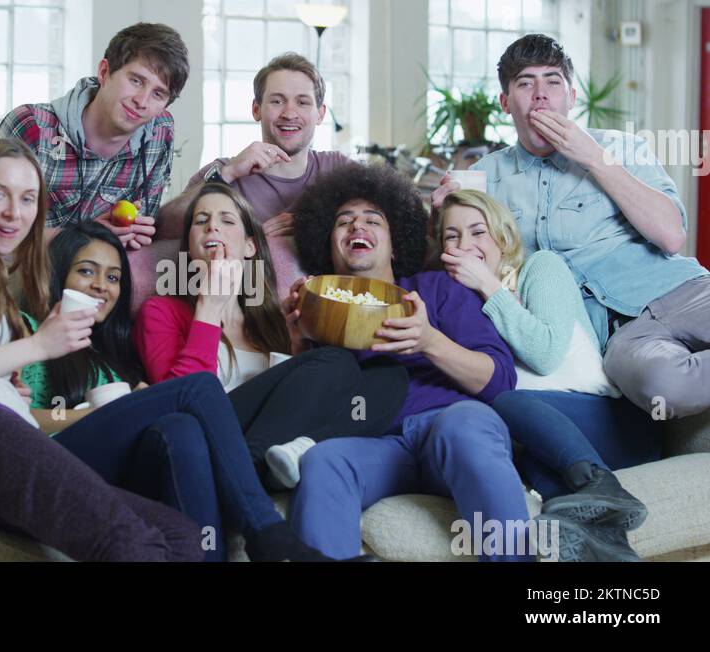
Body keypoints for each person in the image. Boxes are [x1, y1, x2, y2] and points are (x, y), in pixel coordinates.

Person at [0, 138, 202, 562]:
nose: (13, 212)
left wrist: (0, 378)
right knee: (193, 397)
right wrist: (38, 346)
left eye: (27, 199)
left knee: (180, 535)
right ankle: (266, 530)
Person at [19, 220, 361, 562]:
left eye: (112, 277)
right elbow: (7, 418)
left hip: (112, 472)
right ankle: (268, 532)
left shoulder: (115, 355)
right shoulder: (26, 328)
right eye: (86, 271)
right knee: (199, 387)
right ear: (57, 275)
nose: (101, 286)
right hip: (48, 460)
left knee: (180, 428)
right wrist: (89, 415)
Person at [433, 33, 710, 419]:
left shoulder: (621, 148)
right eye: (525, 83)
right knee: (665, 386)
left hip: (682, 291)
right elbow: (460, 256)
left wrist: (594, 158)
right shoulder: (483, 176)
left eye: (553, 81)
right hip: (616, 333)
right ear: (505, 103)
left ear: (571, 97)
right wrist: (440, 214)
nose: (540, 95)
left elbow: (671, 235)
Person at [286, 162, 531, 561]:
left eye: (373, 220)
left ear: (396, 243)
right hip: (379, 447)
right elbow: (306, 414)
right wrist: (298, 338)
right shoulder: (321, 317)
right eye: (344, 222)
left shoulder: (438, 288)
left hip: (451, 430)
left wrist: (429, 341)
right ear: (328, 247)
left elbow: (500, 381)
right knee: (322, 461)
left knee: (463, 424)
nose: (357, 226)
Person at [134, 183, 409, 489]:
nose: (212, 226)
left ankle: (303, 447)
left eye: (227, 220)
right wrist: (209, 308)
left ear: (250, 247)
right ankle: (246, 469)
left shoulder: (268, 321)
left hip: (276, 450)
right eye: (201, 221)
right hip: (208, 436)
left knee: (389, 376)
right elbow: (177, 407)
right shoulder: (160, 311)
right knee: (336, 360)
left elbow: (295, 402)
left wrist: (296, 342)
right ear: (189, 245)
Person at [439, 189, 661, 562]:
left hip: (614, 426)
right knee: (529, 461)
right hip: (549, 444)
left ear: (503, 238)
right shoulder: (456, 304)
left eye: (478, 231)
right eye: (451, 235)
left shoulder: (540, 268)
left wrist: (487, 284)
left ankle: (602, 484)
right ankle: (607, 543)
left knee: (505, 402)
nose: (464, 245)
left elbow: (544, 355)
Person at [0, 22, 190, 250]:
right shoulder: (32, 126)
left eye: (158, 94)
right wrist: (85, 237)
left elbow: (142, 232)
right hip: (23, 267)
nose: (142, 101)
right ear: (104, 72)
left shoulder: (159, 133)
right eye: (136, 81)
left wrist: (134, 234)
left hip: (103, 268)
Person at [158, 53, 350, 240]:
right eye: (277, 101)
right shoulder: (223, 171)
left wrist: (311, 221)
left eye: (302, 102)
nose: (289, 113)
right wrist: (229, 173)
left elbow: (368, 221)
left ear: (320, 114)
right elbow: (164, 229)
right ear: (256, 110)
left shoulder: (338, 168)